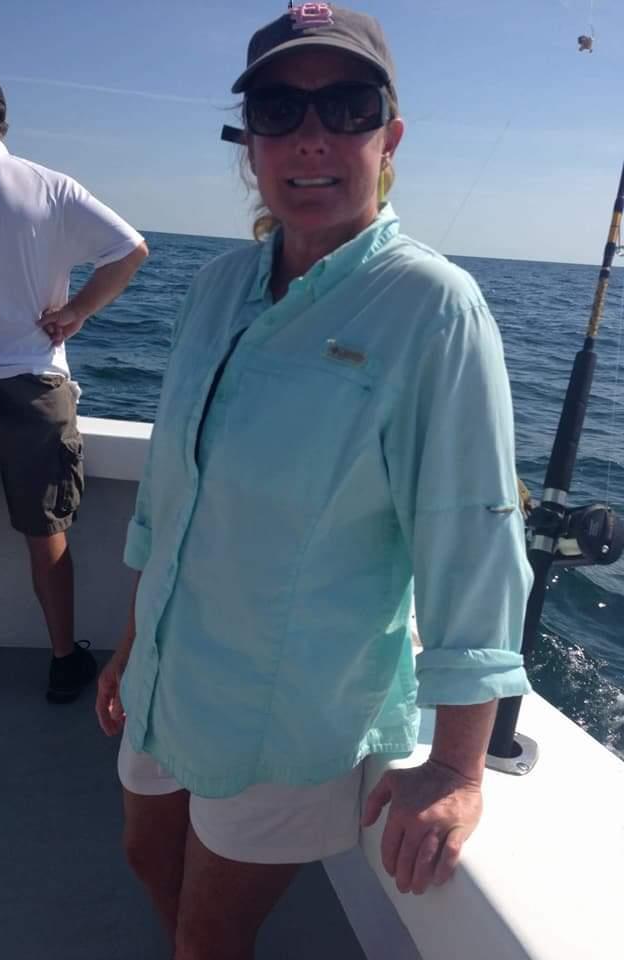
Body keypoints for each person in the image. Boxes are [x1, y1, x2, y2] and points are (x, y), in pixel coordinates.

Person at [96, 5, 533, 957]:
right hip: (171, 677)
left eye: (347, 106)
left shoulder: (434, 307)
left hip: (289, 712)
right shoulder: (214, 289)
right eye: (277, 110)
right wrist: (132, 642)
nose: (312, 138)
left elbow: (472, 537)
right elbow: (170, 492)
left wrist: (459, 765)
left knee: (211, 937)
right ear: (247, 142)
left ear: (391, 137)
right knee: (143, 856)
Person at [0, 65, 148, 702]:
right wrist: (76, 313)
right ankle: (65, 662)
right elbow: (131, 250)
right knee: (47, 532)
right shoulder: (52, 185)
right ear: (1, 121)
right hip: (35, 392)